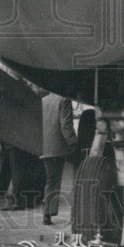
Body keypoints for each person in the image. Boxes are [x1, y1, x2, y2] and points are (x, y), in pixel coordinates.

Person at [40, 90, 78, 225]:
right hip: (58, 147)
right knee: (58, 180)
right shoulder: (64, 99)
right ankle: (49, 212)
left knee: (50, 180)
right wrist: (74, 142)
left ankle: (47, 212)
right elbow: (66, 125)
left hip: (45, 147)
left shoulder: (44, 100)